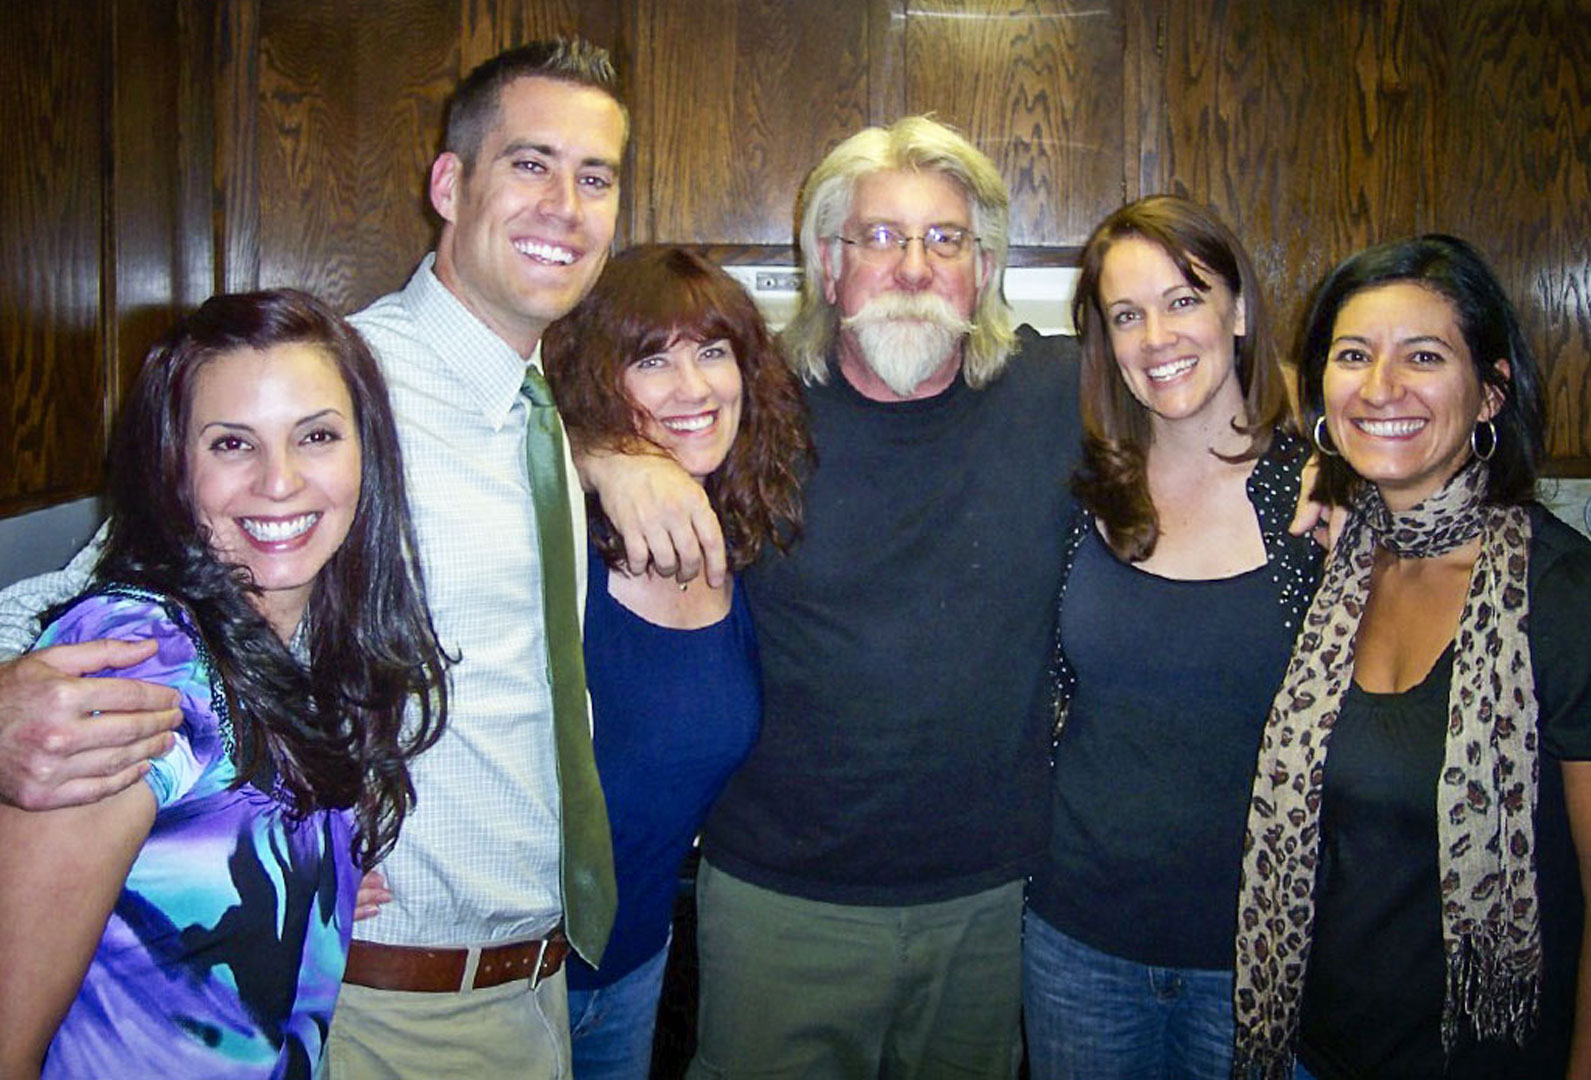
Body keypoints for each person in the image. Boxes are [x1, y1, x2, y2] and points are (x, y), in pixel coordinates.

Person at [0, 37, 635, 1077]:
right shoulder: (327, 390)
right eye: (530, 163)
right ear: (448, 183)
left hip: (533, 984)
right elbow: (86, 593)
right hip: (387, 999)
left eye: (595, 177)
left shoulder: (536, 416)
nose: (565, 204)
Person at [652, 116, 1083, 1077]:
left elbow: (1212, 400)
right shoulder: (741, 410)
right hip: (778, 903)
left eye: (945, 240)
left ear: (984, 267)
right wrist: (608, 459)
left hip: (990, 905)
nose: (914, 267)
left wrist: (1321, 483)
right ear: (827, 261)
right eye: (881, 238)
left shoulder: (1061, 392)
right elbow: (573, 397)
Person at [0, 289, 449, 1078]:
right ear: (172, 467)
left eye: (315, 436)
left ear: (365, 454)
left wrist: (315, 868)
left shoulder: (290, 652)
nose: (279, 483)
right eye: (232, 444)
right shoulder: (147, 659)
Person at [1233, 235, 1591, 1078]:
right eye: (1352, 355)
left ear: (1490, 392)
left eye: (1422, 356)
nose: (1380, 387)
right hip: (1313, 1052)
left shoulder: (1563, 597)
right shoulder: (1336, 565)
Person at [1022, 196, 1321, 1079]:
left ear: (1236, 309)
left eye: (1183, 298)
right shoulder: (1080, 486)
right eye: (1126, 314)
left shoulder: (1317, 490)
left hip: (1269, 958)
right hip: (1078, 944)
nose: (1156, 335)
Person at [540, 245, 808, 1078]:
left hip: (632, 971)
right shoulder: (550, 538)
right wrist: (587, 450)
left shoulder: (740, 542)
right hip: (513, 983)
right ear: (596, 380)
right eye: (651, 359)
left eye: (712, 352)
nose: (692, 388)